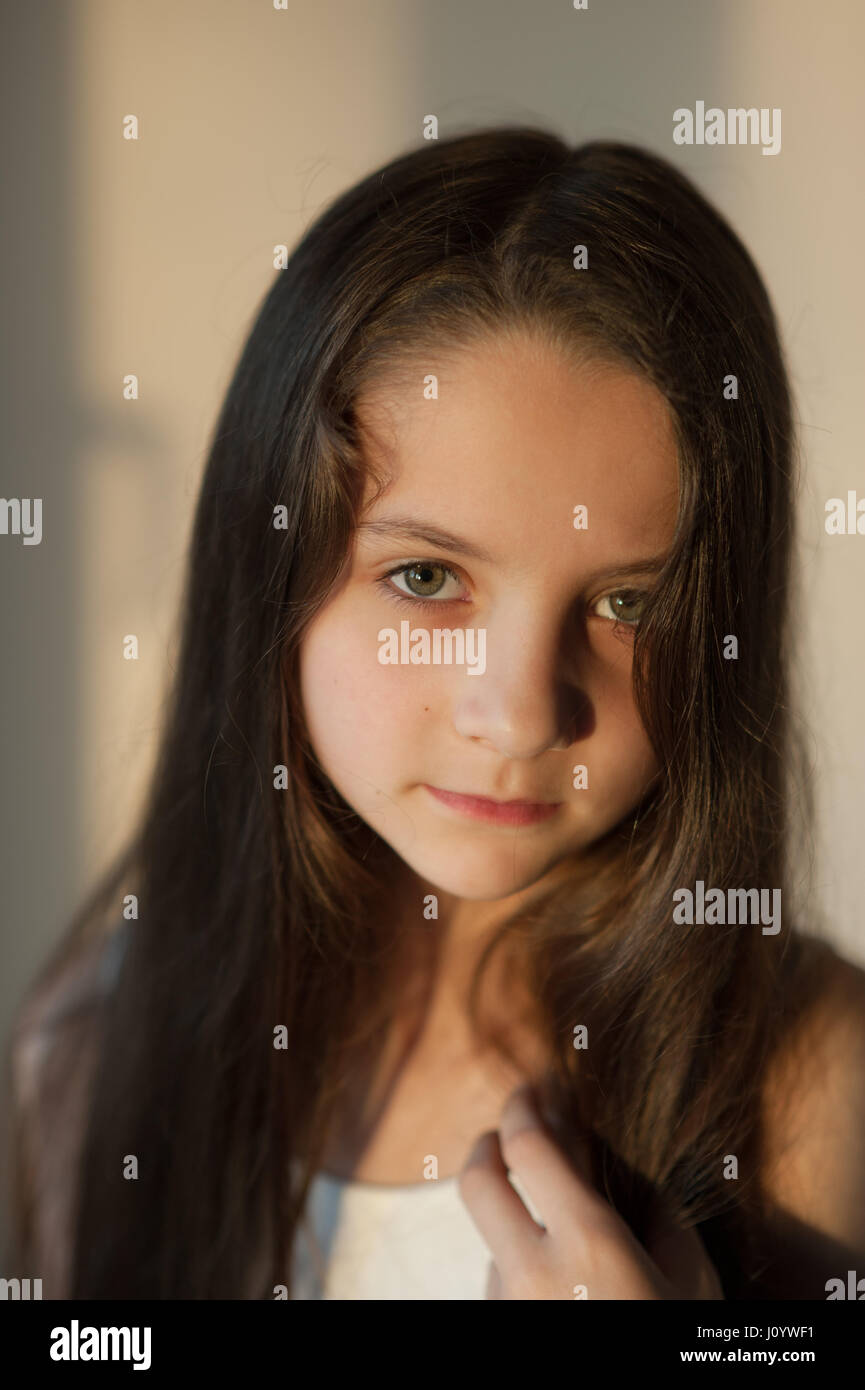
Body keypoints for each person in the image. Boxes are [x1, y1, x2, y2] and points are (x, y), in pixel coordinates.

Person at [7, 126, 865, 1301]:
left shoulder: (802, 1076)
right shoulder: (99, 1053)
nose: (518, 717)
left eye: (629, 602)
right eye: (424, 578)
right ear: (271, 574)